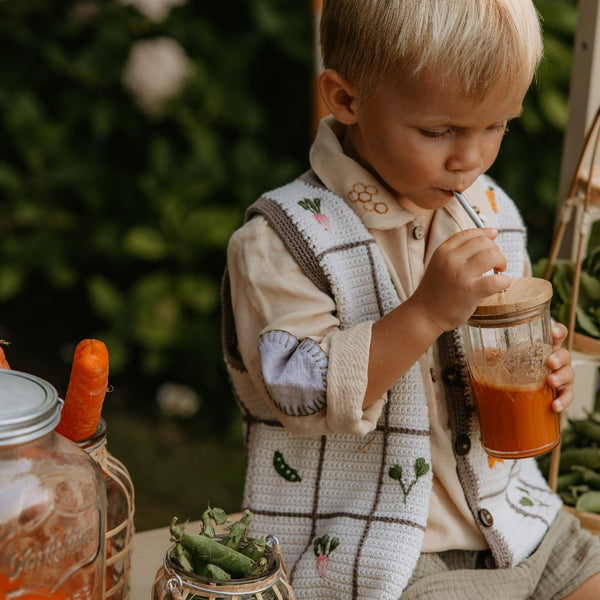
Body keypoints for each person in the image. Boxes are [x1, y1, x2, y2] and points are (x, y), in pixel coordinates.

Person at [221, 1, 600, 598]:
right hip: (386, 552)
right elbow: (298, 394)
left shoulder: (493, 213)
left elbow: (492, 365)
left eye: (497, 125)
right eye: (438, 131)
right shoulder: (280, 243)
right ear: (345, 100)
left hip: (521, 522)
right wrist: (424, 314)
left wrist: (543, 369)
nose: (470, 159)